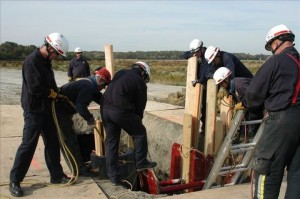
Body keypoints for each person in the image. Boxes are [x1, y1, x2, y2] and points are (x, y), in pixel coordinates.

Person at [9, 33, 71, 197]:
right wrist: (51, 93)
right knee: (28, 144)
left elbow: (50, 82)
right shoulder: (32, 61)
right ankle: (15, 180)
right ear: (50, 48)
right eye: (56, 54)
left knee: (52, 142)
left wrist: (57, 94)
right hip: (34, 110)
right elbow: (35, 88)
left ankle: (56, 176)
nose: (56, 58)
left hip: (46, 109)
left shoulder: (46, 62)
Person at [242, 24, 300, 198]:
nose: (271, 51)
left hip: (280, 122)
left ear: (276, 42)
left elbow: (253, 94)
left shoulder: (275, 61)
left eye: (271, 47)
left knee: (266, 172)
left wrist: (248, 105)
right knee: (297, 175)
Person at [101, 61, 157, 186]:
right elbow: (140, 107)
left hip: (105, 109)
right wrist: (137, 122)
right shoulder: (140, 82)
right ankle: (141, 163)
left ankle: (113, 177)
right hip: (120, 110)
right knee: (140, 133)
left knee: (111, 142)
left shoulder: (120, 72)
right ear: (142, 72)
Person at [55, 67, 111, 177]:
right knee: (70, 139)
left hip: (62, 110)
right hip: (59, 111)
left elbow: (101, 99)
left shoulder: (90, 84)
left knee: (69, 139)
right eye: (104, 86)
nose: (103, 88)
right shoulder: (88, 86)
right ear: (100, 81)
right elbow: (81, 106)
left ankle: (78, 167)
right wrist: (90, 119)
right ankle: (79, 169)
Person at [213, 67, 263, 139]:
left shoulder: (240, 85)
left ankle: (251, 136)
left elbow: (253, 98)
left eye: (221, 84)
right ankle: (245, 136)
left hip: (257, 109)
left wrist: (242, 104)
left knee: (252, 127)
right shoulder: (232, 87)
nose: (221, 86)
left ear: (226, 79)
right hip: (250, 109)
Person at [182, 39, 211, 139]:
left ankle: (206, 128)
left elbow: (205, 73)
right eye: (194, 52)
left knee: (206, 107)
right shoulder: (197, 54)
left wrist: (198, 80)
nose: (196, 54)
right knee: (200, 107)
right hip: (201, 83)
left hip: (208, 84)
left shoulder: (207, 56)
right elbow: (184, 55)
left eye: (197, 52)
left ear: (202, 48)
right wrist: (193, 54)